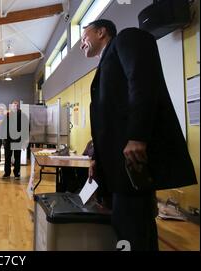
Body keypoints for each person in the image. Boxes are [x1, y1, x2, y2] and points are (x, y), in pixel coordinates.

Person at [81, 19, 197, 251]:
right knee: (127, 229)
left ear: (101, 32)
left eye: (84, 37)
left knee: (133, 230)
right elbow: (109, 119)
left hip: (129, 164)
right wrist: (96, 157)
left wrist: (137, 136)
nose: (82, 43)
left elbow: (142, 83)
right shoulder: (104, 64)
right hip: (114, 168)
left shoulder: (128, 38)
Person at [1, 100, 28, 180]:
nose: (14, 106)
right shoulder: (8, 115)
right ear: (11, 106)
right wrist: (4, 139)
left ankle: (17, 173)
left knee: (17, 157)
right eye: (13, 105)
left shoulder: (22, 115)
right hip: (8, 140)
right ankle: (7, 173)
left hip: (18, 140)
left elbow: (26, 128)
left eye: (16, 105)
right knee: (7, 157)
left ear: (18, 106)